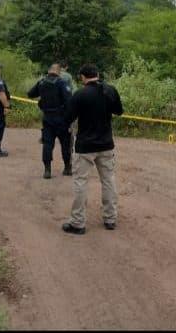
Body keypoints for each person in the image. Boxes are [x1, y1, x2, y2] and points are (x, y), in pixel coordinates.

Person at [62, 64, 123, 235]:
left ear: (82, 77)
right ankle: (110, 219)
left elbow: (68, 118)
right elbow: (119, 111)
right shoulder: (110, 90)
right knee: (108, 181)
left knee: (81, 182)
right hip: (106, 144)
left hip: (85, 146)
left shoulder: (80, 94)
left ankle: (78, 222)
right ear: (97, 74)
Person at [28, 63, 73, 179]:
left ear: (49, 71)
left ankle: (47, 170)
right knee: (65, 144)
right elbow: (69, 102)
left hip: (47, 117)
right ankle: (67, 168)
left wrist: (42, 95)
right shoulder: (62, 82)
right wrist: (70, 119)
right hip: (61, 118)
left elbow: (30, 94)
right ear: (59, 71)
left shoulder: (41, 82)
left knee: (47, 144)